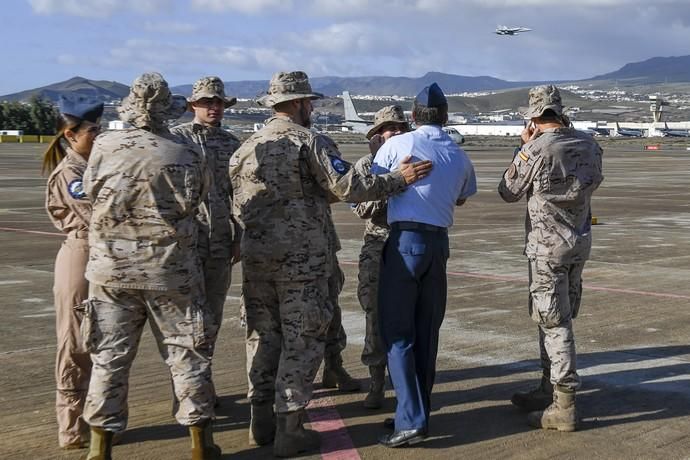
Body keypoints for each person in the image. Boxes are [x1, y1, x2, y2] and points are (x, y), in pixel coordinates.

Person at [229, 70, 432, 457]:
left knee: (262, 336)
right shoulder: (308, 142)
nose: (312, 109)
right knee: (302, 338)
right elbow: (349, 188)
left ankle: (262, 419)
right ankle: (290, 428)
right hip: (301, 262)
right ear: (299, 103)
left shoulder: (244, 148)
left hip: (257, 260)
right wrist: (398, 178)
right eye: (310, 103)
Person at [81, 72, 220, 460]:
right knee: (187, 357)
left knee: (108, 358)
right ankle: (200, 444)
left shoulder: (105, 145)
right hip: (170, 270)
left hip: (111, 270)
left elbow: (91, 190)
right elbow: (199, 199)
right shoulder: (186, 150)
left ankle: (100, 447)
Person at [372, 83, 477, 447]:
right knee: (426, 333)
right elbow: (462, 197)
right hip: (438, 245)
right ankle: (415, 413)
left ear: (413, 116)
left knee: (398, 334)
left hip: (405, 244)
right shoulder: (459, 155)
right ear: (445, 116)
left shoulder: (397, 145)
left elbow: (370, 184)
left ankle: (411, 420)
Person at [498, 84, 603, 432]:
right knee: (557, 317)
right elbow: (594, 181)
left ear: (534, 116)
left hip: (547, 248)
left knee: (554, 323)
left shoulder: (538, 148)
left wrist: (524, 147)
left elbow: (508, 190)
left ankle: (564, 403)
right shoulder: (589, 143)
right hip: (578, 242)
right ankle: (548, 387)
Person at [43, 96, 103, 450]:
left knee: (96, 343)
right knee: (75, 344)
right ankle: (70, 427)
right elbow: (96, 215)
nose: (98, 135)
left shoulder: (92, 165)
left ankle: (90, 418)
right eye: (93, 130)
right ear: (71, 134)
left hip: (100, 254)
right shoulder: (71, 174)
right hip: (82, 255)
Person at [171, 76, 241, 369]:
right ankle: (187, 384)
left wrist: (240, 236)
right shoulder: (175, 139)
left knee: (212, 314)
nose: (214, 107)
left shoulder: (231, 144)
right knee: (184, 319)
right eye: (207, 102)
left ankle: (203, 378)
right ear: (193, 106)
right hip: (186, 241)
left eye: (218, 102)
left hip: (221, 242)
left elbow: (239, 192)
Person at [352, 105, 409, 409]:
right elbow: (361, 209)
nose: (396, 133)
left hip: (407, 243)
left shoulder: (416, 160)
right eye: (389, 129)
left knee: (406, 317)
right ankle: (376, 381)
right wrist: (386, 177)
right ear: (377, 135)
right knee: (373, 314)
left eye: (401, 128)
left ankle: (404, 383)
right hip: (377, 243)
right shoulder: (364, 166)